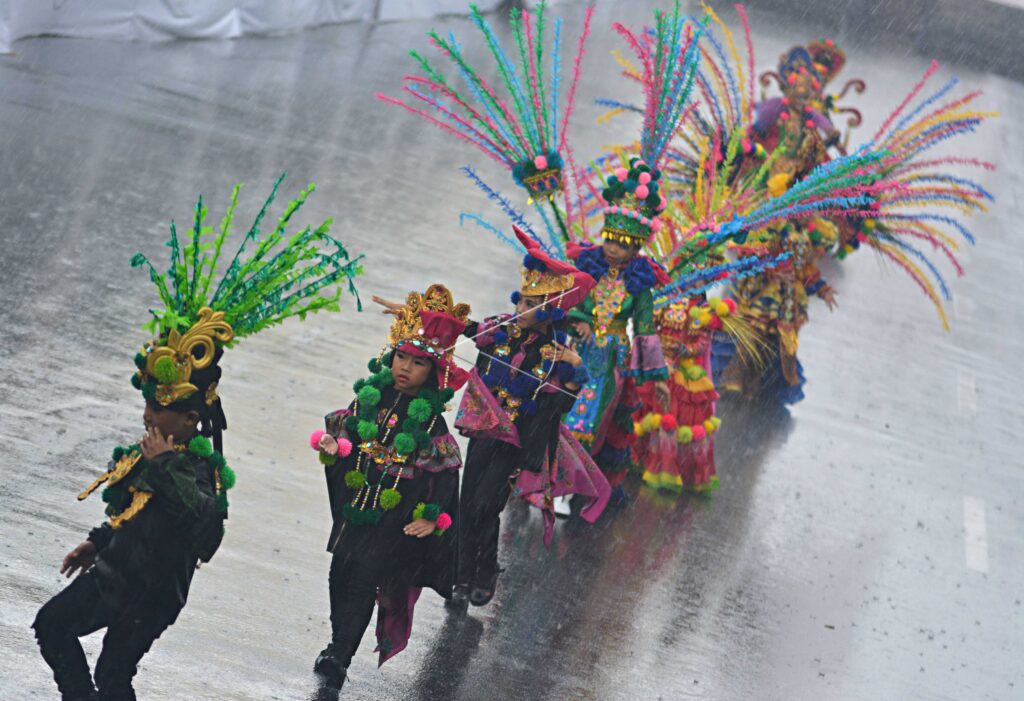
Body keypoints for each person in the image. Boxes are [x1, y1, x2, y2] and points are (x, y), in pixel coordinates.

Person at [33, 178, 362, 701]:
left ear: (192, 419)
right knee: (50, 626)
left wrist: (164, 468)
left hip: (152, 594)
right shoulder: (149, 451)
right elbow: (128, 510)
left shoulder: (199, 467)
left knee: (115, 676)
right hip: (112, 577)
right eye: (149, 405)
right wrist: (96, 542)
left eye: (165, 410)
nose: (152, 417)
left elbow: (206, 534)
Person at [311, 284, 468, 689]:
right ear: (390, 355)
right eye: (401, 356)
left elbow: (445, 477)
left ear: (432, 371)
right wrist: (333, 447)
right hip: (355, 502)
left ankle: (341, 655)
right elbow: (346, 442)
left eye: (417, 363)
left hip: (394, 515)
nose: (405, 367)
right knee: (339, 572)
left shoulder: (431, 424)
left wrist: (433, 519)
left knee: (365, 578)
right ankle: (335, 642)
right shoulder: (368, 401)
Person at [449, 226, 607, 608]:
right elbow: (467, 331)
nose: (521, 311)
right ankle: (459, 573)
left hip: (516, 441)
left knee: (488, 504)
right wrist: (432, 317)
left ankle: (484, 570)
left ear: (551, 307)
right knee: (467, 501)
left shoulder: (557, 353)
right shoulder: (501, 329)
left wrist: (574, 374)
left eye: (531, 305)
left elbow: (561, 405)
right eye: (521, 302)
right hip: (483, 430)